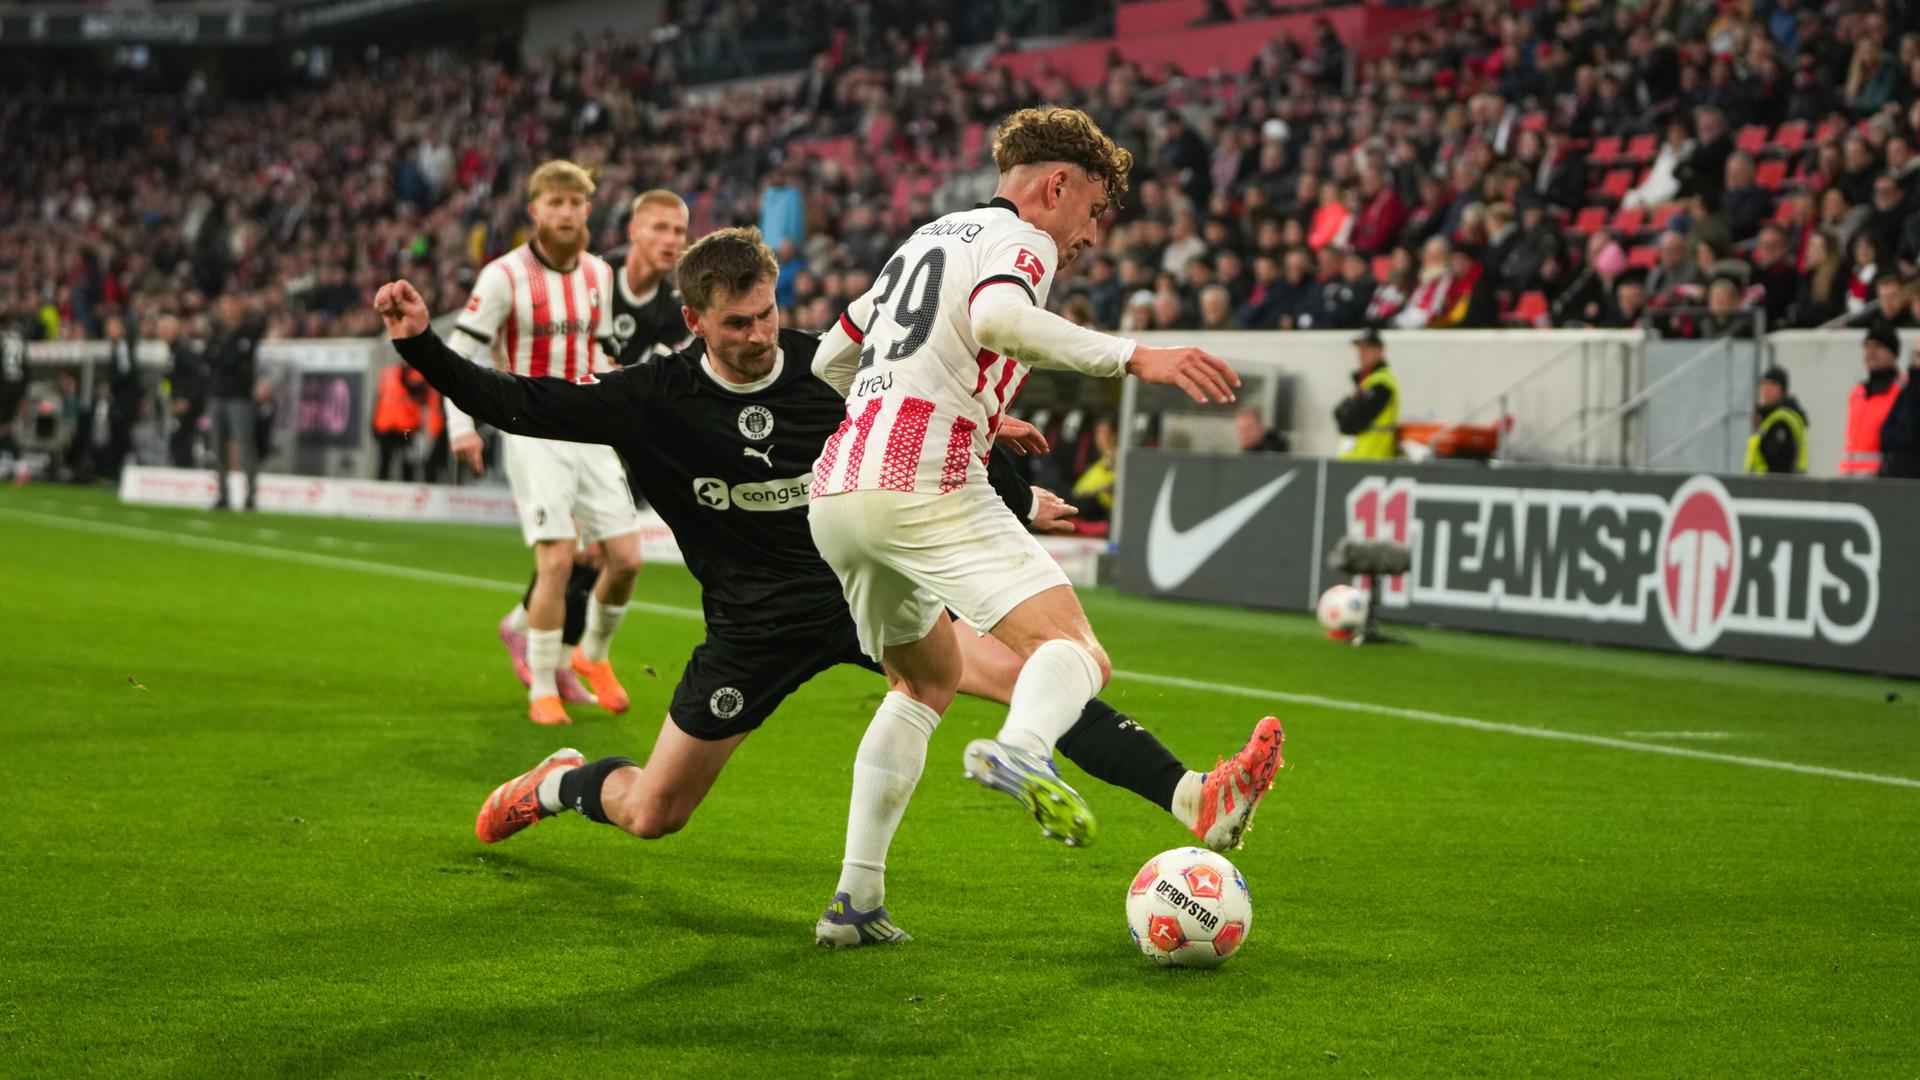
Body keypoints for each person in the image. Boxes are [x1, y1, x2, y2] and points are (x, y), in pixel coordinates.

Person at [373, 227, 1280, 946]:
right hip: (750, 625)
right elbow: (517, 402)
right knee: (655, 812)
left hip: (856, 586)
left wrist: (1008, 485)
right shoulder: (650, 397)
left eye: (767, 314)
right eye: (736, 323)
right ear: (694, 320)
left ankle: (1192, 794)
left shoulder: (826, 371)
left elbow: (919, 441)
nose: (759, 334)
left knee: (1029, 670)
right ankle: (562, 785)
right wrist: (422, 347)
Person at [803, 106, 1263, 941]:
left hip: (837, 489)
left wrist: (961, 405)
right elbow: (1000, 323)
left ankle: (855, 903)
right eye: (1091, 211)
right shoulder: (1024, 239)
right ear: (1057, 186)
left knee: (922, 682)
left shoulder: (923, 239)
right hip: (922, 478)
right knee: (1078, 652)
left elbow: (828, 362)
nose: (1087, 235)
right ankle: (1021, 749)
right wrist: (1137, 355)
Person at [443, 160, 645, 726]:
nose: (565, 213)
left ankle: (588, 657)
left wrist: (632, 407)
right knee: (557, 559)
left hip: (590, 430)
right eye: (554, 204)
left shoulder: (599, 275)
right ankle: (542, 694)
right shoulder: (503, 276)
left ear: (587, 209)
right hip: (532, 428)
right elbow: (459, 357)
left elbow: (603, 351)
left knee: (625, 560)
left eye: (575, 203)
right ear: (534, 211)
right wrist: (462, 426)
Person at [604, 189, 693, 366]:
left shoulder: (676, 312)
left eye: (679, 231)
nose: (670, 240)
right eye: (660, 228)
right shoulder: (594, 276)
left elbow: (653, 379)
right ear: (633, 230)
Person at [205, 295, 263, 510]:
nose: (227, 310)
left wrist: (221, 358)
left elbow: (229, 361)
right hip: (218, 395)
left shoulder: (248, 332)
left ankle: (251, 495)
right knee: (218, 448)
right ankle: (222, 494)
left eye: (231, 305)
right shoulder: (219, 333)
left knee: (244, 446)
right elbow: (209, 358)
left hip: (240, 397)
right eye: (225, 305)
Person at [1840, 322, 1906, 477]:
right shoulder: (1858, 393)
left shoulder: (1903, 392)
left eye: (1878, 346)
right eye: (1867, 346)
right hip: (1849, 478)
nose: (1871, 352)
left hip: (1884, 482)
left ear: (1893, 353)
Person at [1335, 326, 1399, 459]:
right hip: (1352, 460)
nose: (1361, 352)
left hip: (1372, 460)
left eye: (1367, 348)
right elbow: (1338, 412)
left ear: (1379, 351)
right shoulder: (1366, 381)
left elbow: (1350, 422)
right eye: (1359, 348)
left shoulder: (1382, 384)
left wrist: (1346, 408)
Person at [159, 315, 205, 468]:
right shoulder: (172, 350)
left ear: (175, 330)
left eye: (166, 329)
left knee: (181, 442)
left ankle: (187, 478)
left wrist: (187, 399)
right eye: (160, 329)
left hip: (187, 405)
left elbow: (198, 375)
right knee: (179, 442)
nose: (162, 332)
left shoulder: (183, 350)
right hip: (177, 403)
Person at [1744, 366, 1808, 474]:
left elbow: (1779, 463)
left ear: (1782, 390)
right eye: (1764, 384)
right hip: (1765, 486)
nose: (1766, 389)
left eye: (1773, 384)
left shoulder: (1782, 421)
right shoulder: (1767, 420)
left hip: (1775, 487)